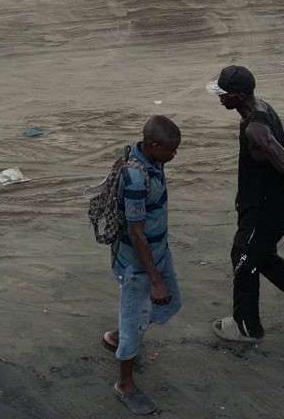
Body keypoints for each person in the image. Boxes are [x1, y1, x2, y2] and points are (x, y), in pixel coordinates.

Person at [209, 65, 284, 345]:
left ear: (238, 96)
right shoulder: (260, 109)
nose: (220, 98)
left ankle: (246, 327)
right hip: (268, 206)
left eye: (224, 94)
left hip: (263, 213)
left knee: (243, 257)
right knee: (263, 260)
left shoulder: (256, 129)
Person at [106, 116, 182, 416]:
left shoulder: (152, 161)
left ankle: (115, 337)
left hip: (157, 251)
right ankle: (124, 384)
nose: (174, 155)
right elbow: (136, 233)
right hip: (138, 264)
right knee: (134, 321)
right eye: (171, 150)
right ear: (152, 145)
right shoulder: (136, 179)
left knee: (162, 305)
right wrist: (156, 280)